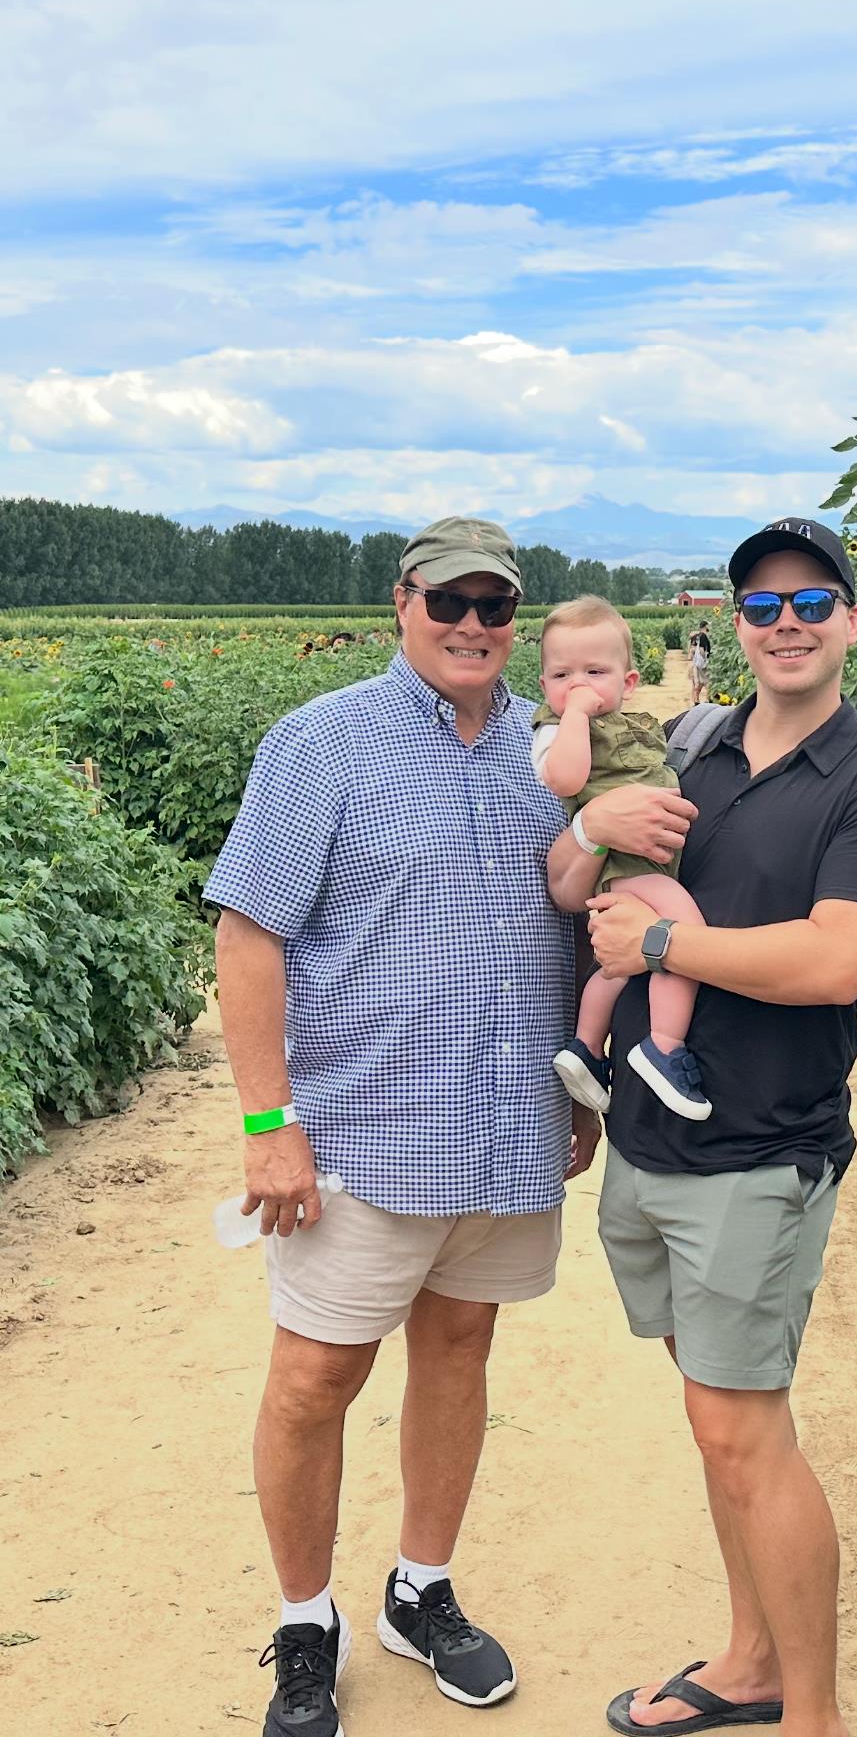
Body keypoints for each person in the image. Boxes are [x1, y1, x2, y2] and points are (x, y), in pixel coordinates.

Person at [207, 517, 614, 1737]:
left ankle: (419, 1588)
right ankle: (304, 1616)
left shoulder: (548, 758)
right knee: (316, 1376)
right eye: (452, 600)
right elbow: (248, 933)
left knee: (459, 1350)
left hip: (503, 1130)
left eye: (497, 604)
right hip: (365, 1139)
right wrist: (269, 1120)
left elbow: (570, 922)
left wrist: (573, 1092)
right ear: (404, 602)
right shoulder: (323, 742)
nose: (474, 623)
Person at [547, 517, 857, 1737]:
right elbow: (582, 885)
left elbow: (834, 957)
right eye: (763, 607)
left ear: (852, 621)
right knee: (718, 1419)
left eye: (813, 602)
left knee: (740, 1424)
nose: (788, 625)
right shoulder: (691, 750)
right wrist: (587, 838)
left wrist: (663, 943)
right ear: (734, 628)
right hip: (654, 1138)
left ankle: (809, 1711)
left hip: (761, 1148)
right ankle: (752, 1657)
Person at [532, 596, 711, 1123]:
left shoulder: (635, 721)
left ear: (628, 683)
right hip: (622, 867)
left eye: (595, 672)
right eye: (562, 674)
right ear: (544, 687)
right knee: (682, 934)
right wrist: (578, 715)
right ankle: (665, 1045)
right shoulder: (554, 729)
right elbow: (564, 779)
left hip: (645, 861)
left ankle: (587, 1048)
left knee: (618, 966)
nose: (578, 684)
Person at [687, 620, 712, 705]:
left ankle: (696, 700)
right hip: (702, 663)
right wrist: (705, 659)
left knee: (697, 682)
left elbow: (691, 649)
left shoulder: (696, 636)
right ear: (705, 626)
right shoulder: (703, 636)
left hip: (696, 662)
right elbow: (701, 649)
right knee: (707, 681)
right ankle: (708, 699)